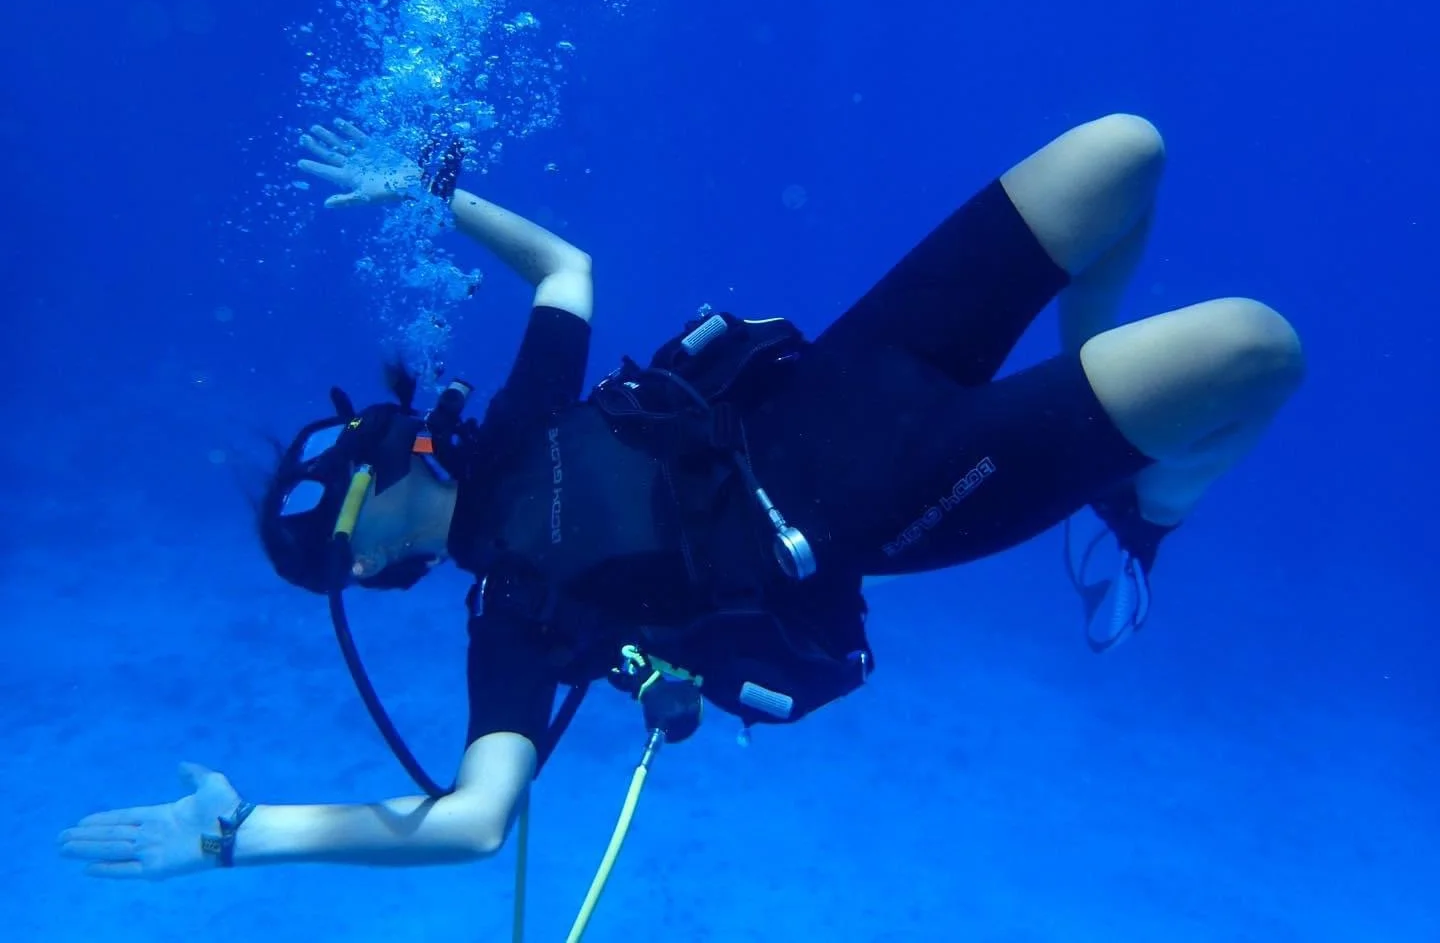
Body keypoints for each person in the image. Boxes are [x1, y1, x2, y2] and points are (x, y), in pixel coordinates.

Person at [59, 113, 1304, 884]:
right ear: (369, 558)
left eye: (343, 432)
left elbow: (566, 268)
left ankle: (1113, 416)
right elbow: (475, 820)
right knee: (1256, 346)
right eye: (333, 479)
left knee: (1124, 150)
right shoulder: (518, 615)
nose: (359, 440)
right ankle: (1144, 513)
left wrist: (436, 189)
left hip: (862, 365)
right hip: (902, 493)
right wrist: (241, 834)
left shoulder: (518, 419)